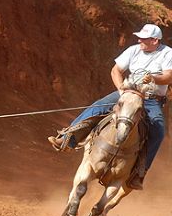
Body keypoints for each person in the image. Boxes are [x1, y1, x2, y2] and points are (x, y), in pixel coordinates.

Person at [48, 23, 172, 190]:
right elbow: (116, 71)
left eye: (143, 38)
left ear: (155, 40)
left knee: (158, 130)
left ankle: (139, 172)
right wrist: (121, 89)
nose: (139, 40)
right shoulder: (134, 50)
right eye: (140, 37)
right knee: (98, 106)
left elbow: (168, 77)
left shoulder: (167, 53)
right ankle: (69, 137)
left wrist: (153, 79)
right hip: (128, 92)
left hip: (151, 99)